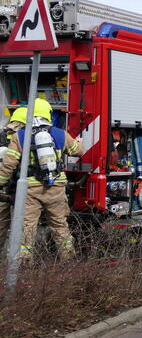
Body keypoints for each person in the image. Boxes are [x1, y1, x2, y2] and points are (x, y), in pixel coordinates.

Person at [0, 99, 83, 261]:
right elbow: (78, 151)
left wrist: (1, 182)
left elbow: (9, 164)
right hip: (56, 187)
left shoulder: (20, 136)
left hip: (31, 189)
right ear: (48, 113)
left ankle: (23, 264)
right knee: (60, 226)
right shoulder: (60, 134)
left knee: (27, 228)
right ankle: (68, 261)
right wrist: (76, 143)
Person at [0, 107, 27, 247]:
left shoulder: (2, 134)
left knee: (1, 222)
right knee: (23, 223)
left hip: (3, 188)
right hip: (18, 187)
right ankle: (18, 254)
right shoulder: (23, 137)